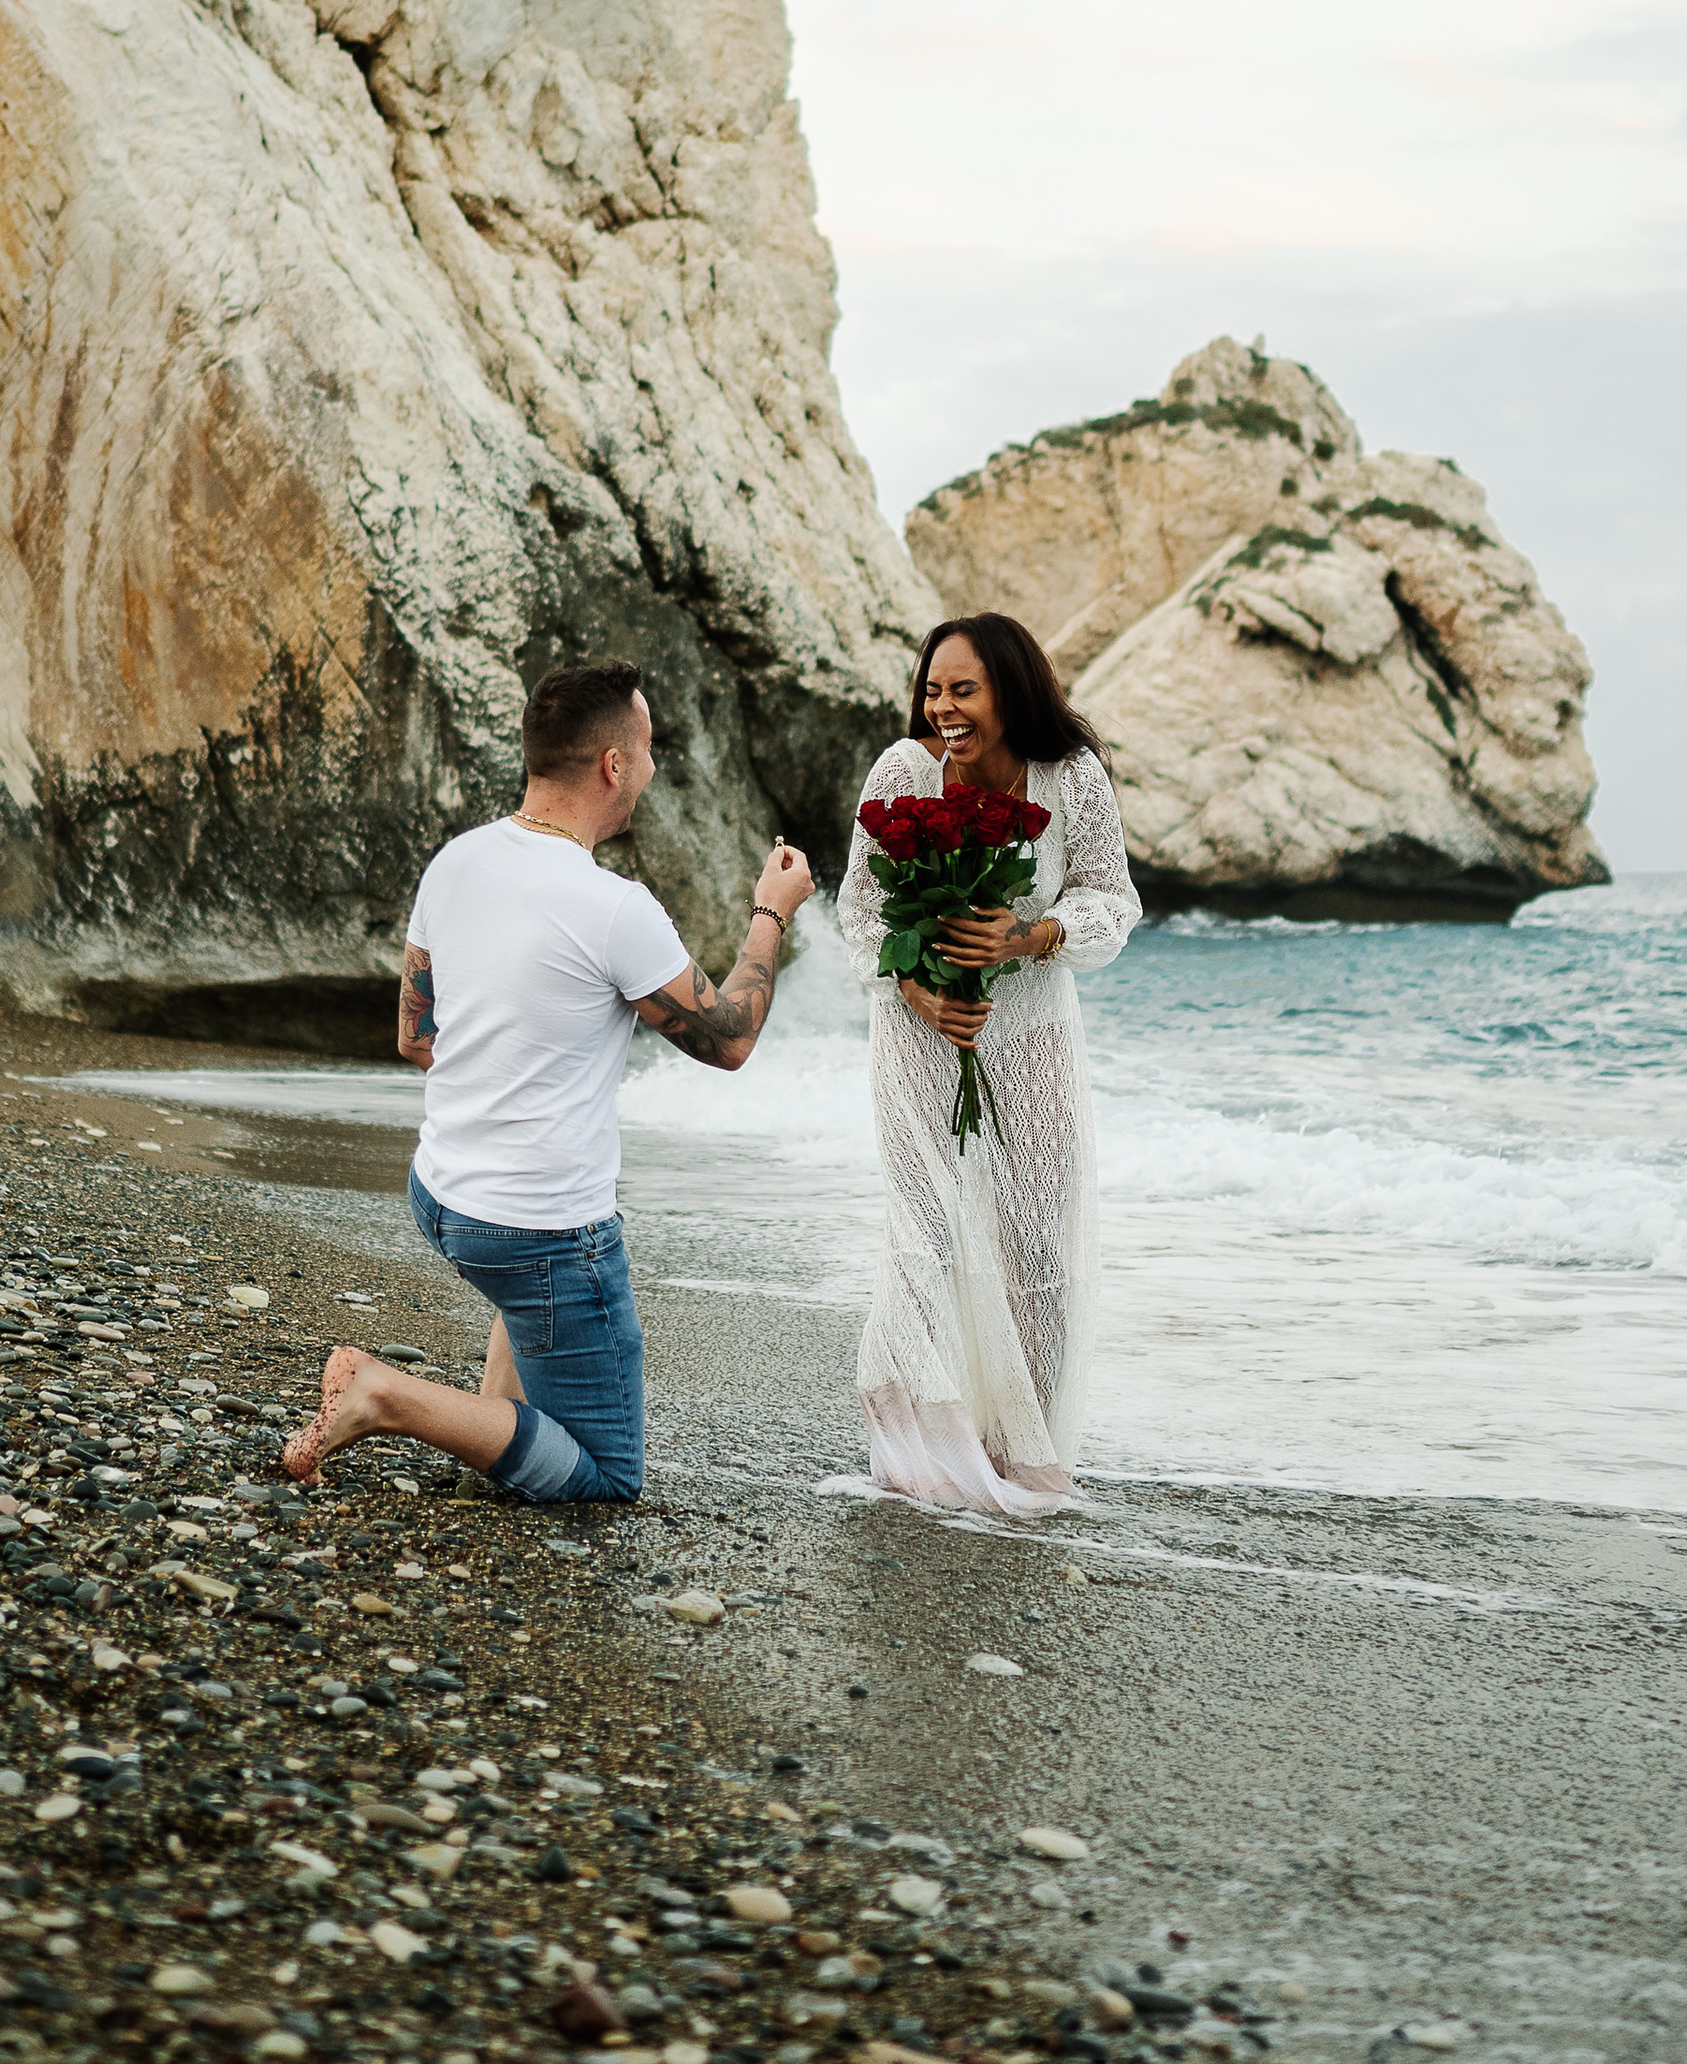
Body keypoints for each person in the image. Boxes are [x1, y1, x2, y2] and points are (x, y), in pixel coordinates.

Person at [282, 660, 814, 1506]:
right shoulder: (613, 907)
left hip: (441, 1195)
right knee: (607, 1477)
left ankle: (491, 1431)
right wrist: (772, 910)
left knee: (527, 1301)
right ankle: (384, 1395)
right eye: (647, 750)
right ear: (613, 764)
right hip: (540, 1234)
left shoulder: (455, 862)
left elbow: (416, 1038)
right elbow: (732, 1039)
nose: (651, 768)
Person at [836, 614, 1141, 1517]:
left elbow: (1111, 898)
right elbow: (861, 909)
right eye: (933, 691)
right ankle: (920, 1455)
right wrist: (918, 989)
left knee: (1036, 1242)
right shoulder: (903, 772)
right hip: (919, 1034)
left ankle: (1021, 1449)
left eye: (963, 690)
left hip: (1034, 1033)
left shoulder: (1071, 776)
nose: (944, 708)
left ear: (1010, 689)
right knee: (925, 1236)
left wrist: (1032, 935)